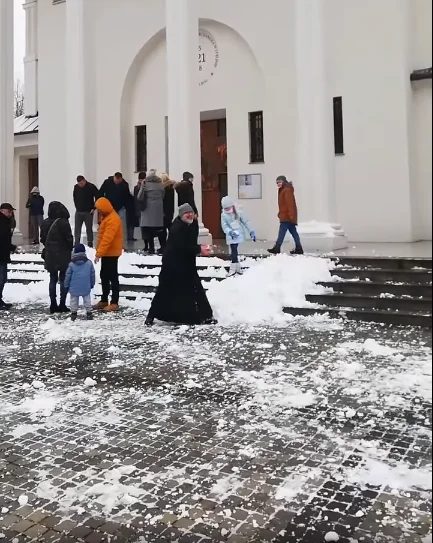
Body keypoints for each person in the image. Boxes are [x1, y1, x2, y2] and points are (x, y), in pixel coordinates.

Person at [145, 203, 215, 326]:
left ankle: (205, 316)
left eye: (191, 212)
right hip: (172, 265)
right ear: (181, 215)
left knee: (195, 288)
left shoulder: (192, 224)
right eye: (187, 213)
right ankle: (151, 315)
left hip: (186, 262)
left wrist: (198, 249)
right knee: (164, 290)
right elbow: (182, 246)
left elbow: (190, 243)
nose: (190, 215)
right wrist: (199, 249)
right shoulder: (177, 228)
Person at [40, 201, 74, 313]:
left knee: (52, 278)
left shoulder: (45, 223)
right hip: (63, 254)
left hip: (50, 254)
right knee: (63, 279)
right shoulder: (64, 222)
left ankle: (53, 304)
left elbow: (42, 239)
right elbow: (69, 239)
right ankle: (62, 304)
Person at [93, 197, 123, 312]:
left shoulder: (113, 219)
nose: (99, 212)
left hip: (112, 253)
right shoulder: (106, 217)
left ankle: (114, 302)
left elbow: (107, 238)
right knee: (104, 275)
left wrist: (99, 253)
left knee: (112, 277)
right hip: (107, 252)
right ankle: (104, 299)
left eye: (100, 209)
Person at [221, 196, 256, 277]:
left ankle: (233, 268)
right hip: (231, 236)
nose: (227, 211)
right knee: (234, 250)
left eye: (228, 208)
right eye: (226, 209)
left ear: (232, 206)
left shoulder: (238, 212)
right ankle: (237, 268)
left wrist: (251, 231)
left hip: (239, 234)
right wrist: (230, 232)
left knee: (234, 250)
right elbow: (224, 226)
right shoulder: (223, 215)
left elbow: (246, 222)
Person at [268, 176, 304, 255]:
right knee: (293, 232)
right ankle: (299, 248)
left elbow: (290, 204)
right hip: (286, 215)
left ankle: (277, 248)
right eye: (277, 183)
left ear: (284, 182)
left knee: (282, 232)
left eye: (280, 182)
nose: (278, 184)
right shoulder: (284, 190)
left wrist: (291, 215)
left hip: (286, 216)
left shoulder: (286, 190)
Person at [65, 244, 96, 322]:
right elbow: (92, 274)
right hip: (86, 286)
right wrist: (92, 284)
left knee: (74, 300)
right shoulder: (89, 263)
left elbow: (68, 276)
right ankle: (89, 312)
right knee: (87, 299)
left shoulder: (71, 264)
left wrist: (66, 285)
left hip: (74, 287)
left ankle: (73, 313)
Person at [137, 170, 165, 255]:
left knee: (148, 229)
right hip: (159, 208)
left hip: (148, 208)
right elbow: (163, 195)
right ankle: (162, 247)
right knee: (159, 229)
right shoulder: (161, 184)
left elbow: (139, 196)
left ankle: (151, 248)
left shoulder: (145, 183)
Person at [98, 172, 131, 242]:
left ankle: (121, 242)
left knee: (121, 225)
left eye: (118, 181)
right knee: (109, 224)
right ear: (114, 178)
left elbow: (127, 197)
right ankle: (109, 240)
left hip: (120, 207)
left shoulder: (125, 185)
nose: (117, 182)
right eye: (116, 180)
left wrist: (127, 207)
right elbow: (101, 193)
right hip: (109, 207)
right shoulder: (107, 182)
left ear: (121, 179)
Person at [73, 175, 99, 247]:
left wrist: (94, 207)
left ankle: (90, 243)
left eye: (81, 183)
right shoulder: (76, 187)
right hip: (79, 211)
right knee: (77, 228)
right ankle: (76, 243)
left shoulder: (91, 187)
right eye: (79, 184)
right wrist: (77, 206)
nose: (80, 185)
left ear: (84, 181)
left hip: (88, 211)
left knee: (89, 228)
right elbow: (74, 197)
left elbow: (98, 196)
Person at [0, 203, 17, 311]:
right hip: (1, 254)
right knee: (1, 279)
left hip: (3, 254)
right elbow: (3, 239)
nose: (10, 213)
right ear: (2, 211)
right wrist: (12, 247)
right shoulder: (2, 222)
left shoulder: (6, 221)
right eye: (8, 211)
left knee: (2, 278)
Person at [176, 171, 199, 239]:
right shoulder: (188, 186)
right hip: (189, 209)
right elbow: (191, 200)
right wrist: (195, 211)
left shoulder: (179, 186)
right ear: (189, 178)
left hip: (182, 210)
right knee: (194, 228)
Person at [159, 173, 176, 252]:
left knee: (162, 230)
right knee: (169, 229)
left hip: (164, 212)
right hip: (170, 211)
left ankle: (164, 246)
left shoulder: (164, 189)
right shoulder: (171, 188)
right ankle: (170, 245)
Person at [134, 172, 149, 252]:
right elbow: (136, 200)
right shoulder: (138, 187)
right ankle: (146, 244)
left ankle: (147, 244)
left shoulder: (142, 187)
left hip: (144, 210)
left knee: (146, 228)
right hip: (142, 210)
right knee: (143, 229)